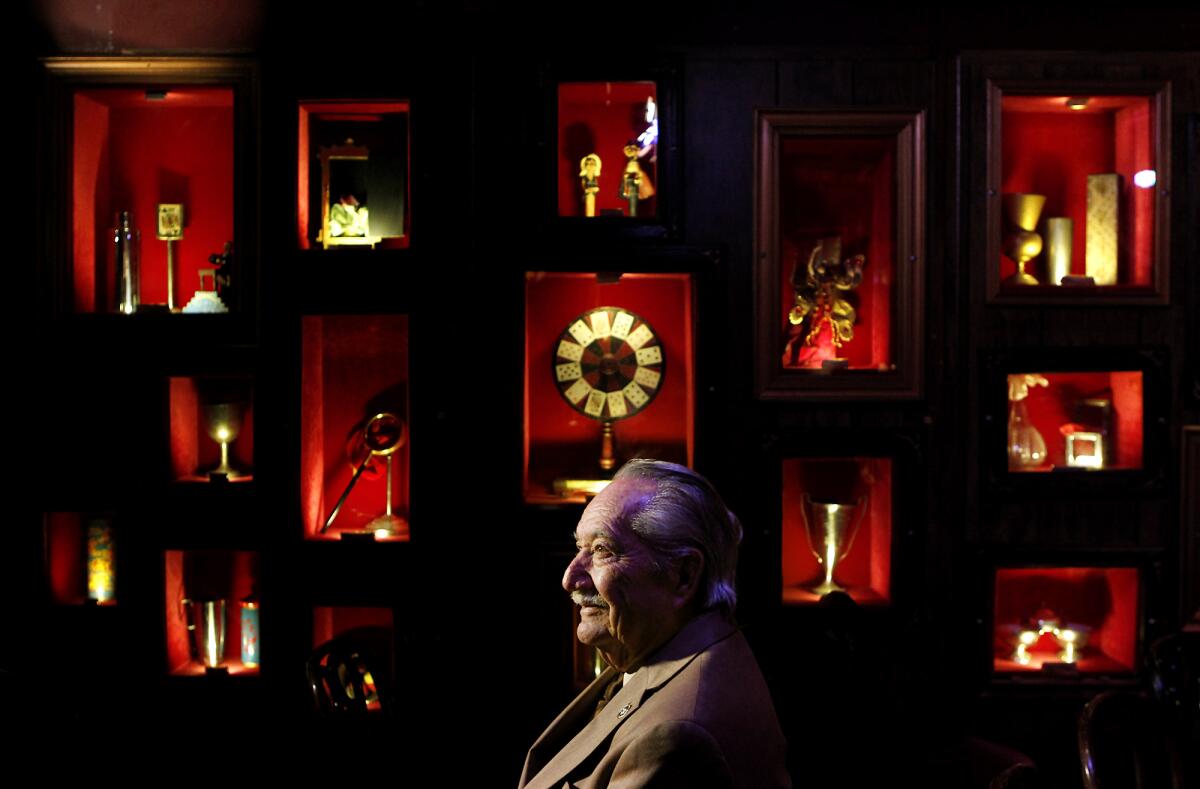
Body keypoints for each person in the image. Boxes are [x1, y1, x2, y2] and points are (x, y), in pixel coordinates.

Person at [518, 459, 791, 789]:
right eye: (580, 548)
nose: (570, 578)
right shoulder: (664, 646)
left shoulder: (679, 737)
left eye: (602, 550)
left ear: (683, 575)